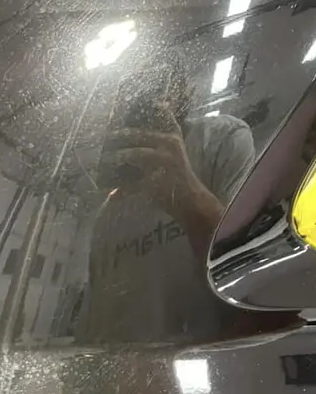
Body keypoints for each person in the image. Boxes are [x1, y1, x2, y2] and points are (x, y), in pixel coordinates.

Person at [77, 51, 256, 344]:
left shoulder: (220, 140)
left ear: (182, 93)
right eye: (130, 97)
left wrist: (186, 196)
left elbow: (251, 276)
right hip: (129, 366)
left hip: (212, 357)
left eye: (153, 89)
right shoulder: (108, 215)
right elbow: (97, 321)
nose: (139, 104)